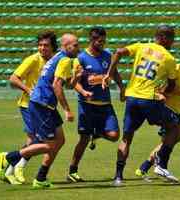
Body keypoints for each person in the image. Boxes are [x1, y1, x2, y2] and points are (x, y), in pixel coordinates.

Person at [0, 33, 81, 189]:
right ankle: (9, 157)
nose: (78, 47)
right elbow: (57, 86)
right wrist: (67, 110)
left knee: (59, 140)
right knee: (48, 145)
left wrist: (76, 77)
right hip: (41, 104)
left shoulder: (59, 58)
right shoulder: (63, 59)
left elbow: (66, 84)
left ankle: (41, 178)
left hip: (45, 104)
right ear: (65, 45)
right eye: (75, 45)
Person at [102, 25, 180, 186]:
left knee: (127, 138)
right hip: (149, 100)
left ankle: (118, 176)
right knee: (175, 128)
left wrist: (109, 73)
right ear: (164, 38)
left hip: (132, 98)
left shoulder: (141, 46)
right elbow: (172, 85)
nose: (173, 42)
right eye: (172, 38)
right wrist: (163, 93)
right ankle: (161, 163)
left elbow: (118, 52)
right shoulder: (169, 58)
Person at [135, 47, 180, 181]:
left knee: (170, 140)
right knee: (177, 134)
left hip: (177, 111)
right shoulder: (176, 70)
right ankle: (160, 165)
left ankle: (144, 168)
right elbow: (159, 90)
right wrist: (173, 91)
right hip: (165, 108)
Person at [67, 27, 125, 182]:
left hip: (105, 104)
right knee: (83, 139)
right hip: (87, 105)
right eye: (100, 42)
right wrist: (84, 92)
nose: (103, 44)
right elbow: (74, 83)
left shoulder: (107, 55)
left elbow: (114, 73)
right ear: (92, 40)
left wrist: (122, 88)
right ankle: (72, 171)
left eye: (104, 41)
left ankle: (96, 133)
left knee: (114, 136)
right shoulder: (81, 58)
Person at [2, 31, 57, 185]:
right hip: (29, 105)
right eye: (40, 45)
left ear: (53, 46)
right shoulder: (33, 59)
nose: (42, 48)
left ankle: (10, 170)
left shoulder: (55, 60)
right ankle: (13, 163)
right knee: (39, 139)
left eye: (46, 45)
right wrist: (28, 90)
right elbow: (13, 78)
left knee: (34, 139)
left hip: (45, 106)